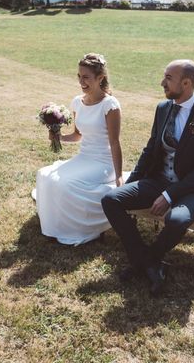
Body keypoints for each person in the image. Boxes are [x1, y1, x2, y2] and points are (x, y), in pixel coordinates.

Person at [102, 59, 194, 296]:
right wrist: (130, 185)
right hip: (158, 179)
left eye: (168, 78)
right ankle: (146, 262)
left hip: (192, 188)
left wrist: (170, 195)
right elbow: (151, 150)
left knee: (178, 220)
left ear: (186, 83)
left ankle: (145, 260)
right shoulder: (163, 108)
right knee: (111, 200)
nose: (162, 83)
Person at [33, 53, 123, 245]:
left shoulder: (110, 105)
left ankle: (75, 227)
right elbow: (78, 135)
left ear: (100, 78)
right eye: (79, 76)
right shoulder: (77, 102)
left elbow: (115, 143)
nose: (81, 81)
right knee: (45, 174)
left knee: (66, 183)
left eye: (86, 77)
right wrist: (59, 137)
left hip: (103, 162)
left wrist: (118, 175)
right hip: (84, 157)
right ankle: (54, 223)